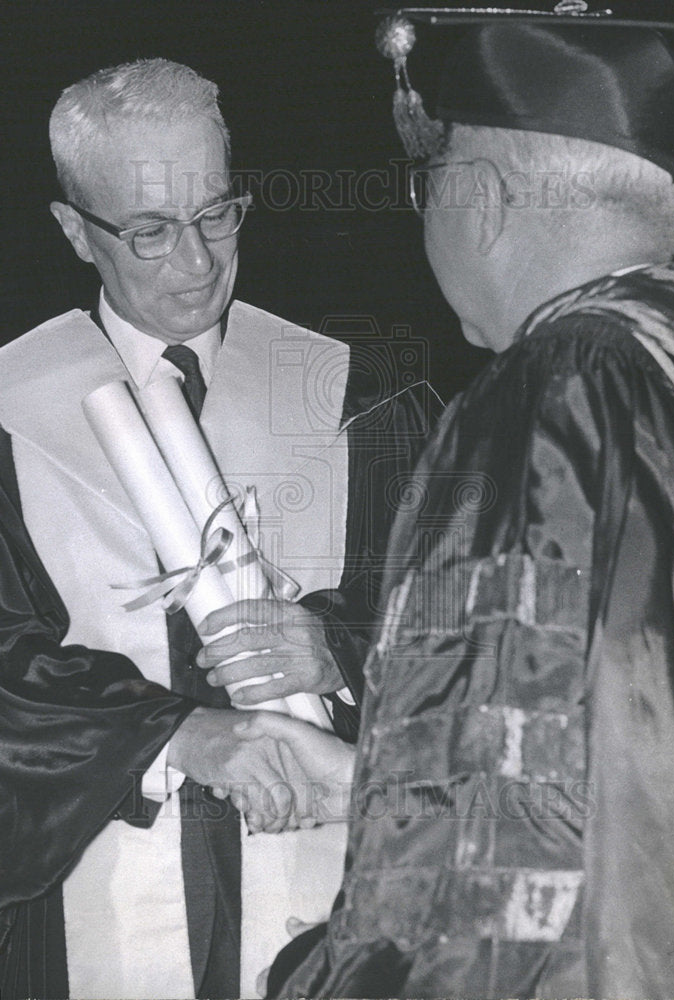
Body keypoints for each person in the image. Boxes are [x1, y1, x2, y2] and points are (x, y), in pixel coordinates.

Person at [238, 9, 674, 999]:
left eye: (425, 185)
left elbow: (482, 893)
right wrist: (369, 779)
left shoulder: (548, 400)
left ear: (479, 197)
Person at [0, 58, 436, 999]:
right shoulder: (9, 411)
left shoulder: (363, 397)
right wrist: (173, 738)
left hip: (334, 908)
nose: (197, 264)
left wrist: (342, 647)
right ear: (75, 231)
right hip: (89, 908)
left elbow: (461, 622)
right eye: (151, 231)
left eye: (216, 214)